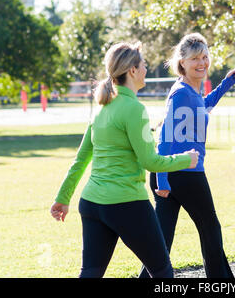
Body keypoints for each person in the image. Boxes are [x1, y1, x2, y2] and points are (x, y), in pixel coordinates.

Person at [50, 42, 199, 278]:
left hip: (91, 203)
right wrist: (186, 159)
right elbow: (151, 162)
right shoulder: (134, 109)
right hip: (127, 203)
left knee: (90, 272)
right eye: (144, 66)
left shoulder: (101, 108)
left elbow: (80, 161)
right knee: (162, 272)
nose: (146, 70)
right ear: (132, 70)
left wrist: (63, 198)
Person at [139, 33, 235, 278]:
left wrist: (225, 84)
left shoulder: (191, 92)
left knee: (162, 242)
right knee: (210, 229)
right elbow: (165, 137)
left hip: (173, 173)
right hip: (182, 173)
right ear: (181, 61)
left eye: (205, 57)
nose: (202, 63)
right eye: (195, 58)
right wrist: (162, 180)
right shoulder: (181, 93)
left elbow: (203, 105)